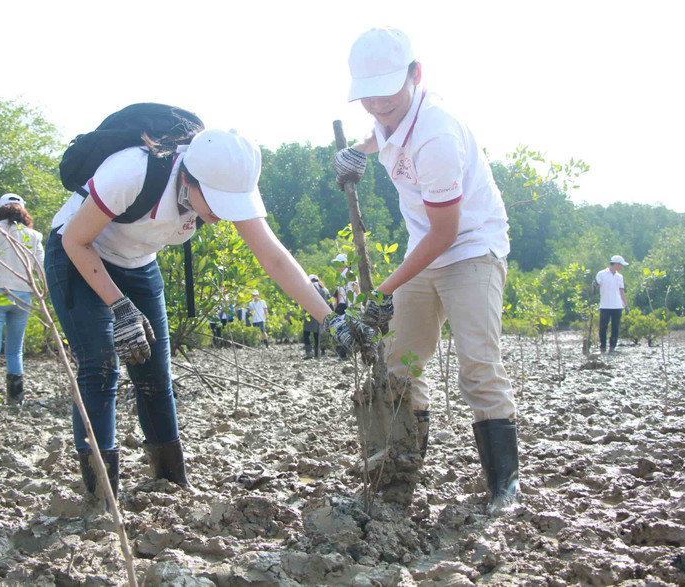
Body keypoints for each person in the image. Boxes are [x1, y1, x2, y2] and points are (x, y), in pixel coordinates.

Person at [45, 125, 374, 500]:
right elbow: (74, 238)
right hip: (78, 253)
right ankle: (101, 498)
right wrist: (120, 308)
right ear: (187, 178)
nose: (221, 215)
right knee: (100, 367)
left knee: (155, 374)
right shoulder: (131, 174)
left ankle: (171, 486)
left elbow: (275, 259)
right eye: (215, 202)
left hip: (137, 263)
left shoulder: (228, 180)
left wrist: (330, 319)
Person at [332, 27, 517, 513]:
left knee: (477, 363)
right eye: (366, 96)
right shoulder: (387, 115)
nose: (377, 104)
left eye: (387, 92)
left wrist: (382, 294)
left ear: (416, 74)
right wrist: (357, 152)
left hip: (470, 247)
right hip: (425, 249)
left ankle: (504, 487)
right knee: (402, 365)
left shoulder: (436, 134)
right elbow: (381, 134)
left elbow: (445, 234)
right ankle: (401, 476)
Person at [0, 194, 44, 404]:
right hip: (22, 294)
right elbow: (41, 269)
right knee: (15, 350)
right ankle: (16, 400)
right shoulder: (34, 235)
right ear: (23, 211)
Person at [594, 255, 629, 353]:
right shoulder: (601, 274)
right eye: (621, 265)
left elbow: (621, 291)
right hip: (605, 305)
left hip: (617, 306)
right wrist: (594, 285)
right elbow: (595, 287)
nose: (622, 267)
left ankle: (612, 347)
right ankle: (602, 346)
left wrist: (625, 305)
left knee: (615, 327)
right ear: (617, 264)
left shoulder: (619, 276)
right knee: (603, 327)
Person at [302, 275, 331, 359]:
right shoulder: (325, 289)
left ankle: (309, 352)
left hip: (310, 313)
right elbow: (329, 303)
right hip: (322, 313)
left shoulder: (310, 287)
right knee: (317, 334)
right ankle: (317, 353)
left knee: (306, 333)